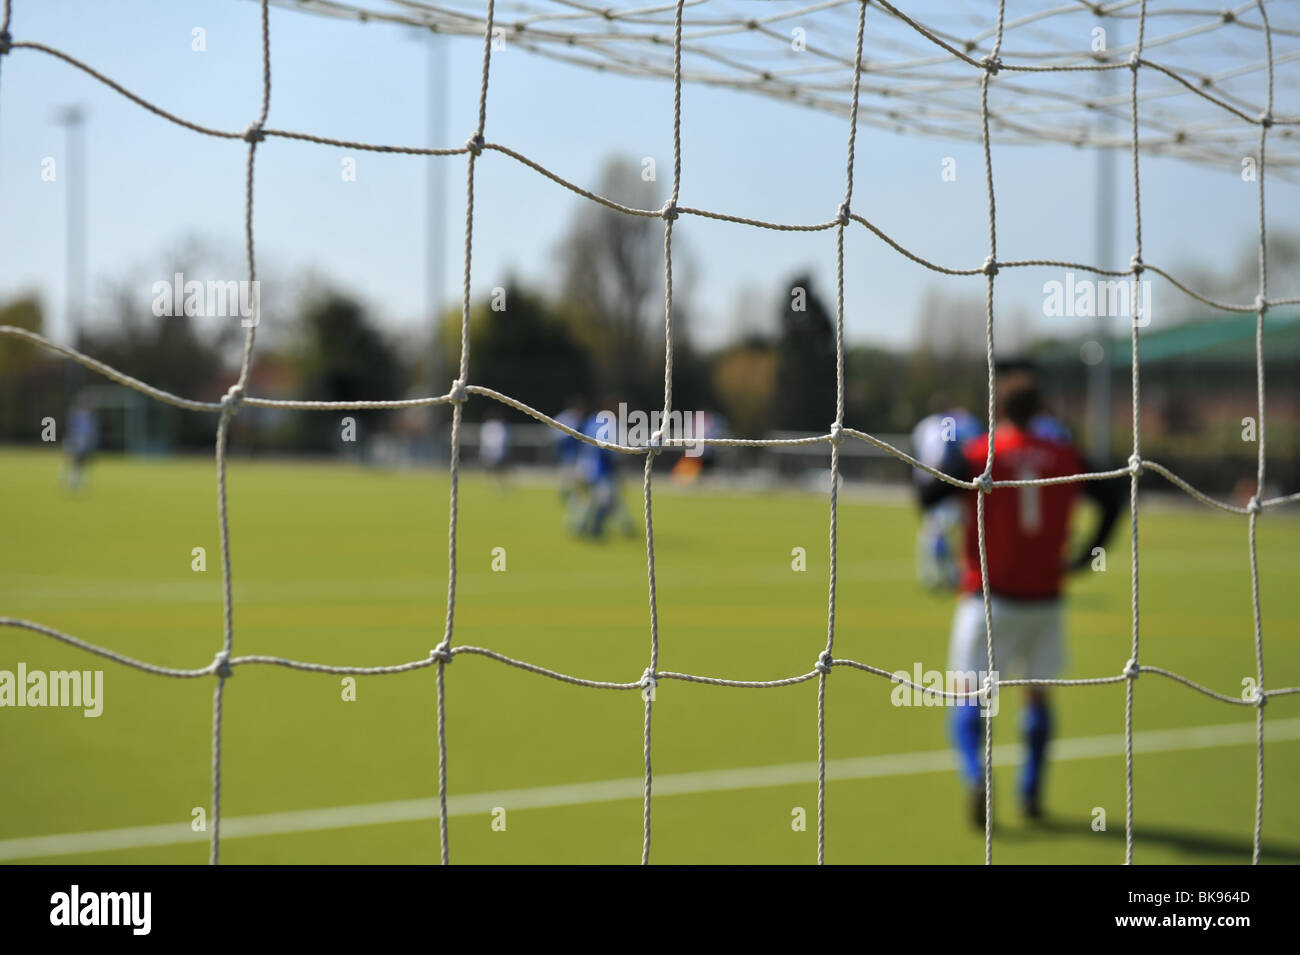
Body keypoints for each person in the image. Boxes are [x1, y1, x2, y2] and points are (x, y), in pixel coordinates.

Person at [918, 359, 1122, 826]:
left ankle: (974, 774)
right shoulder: (1065, 454)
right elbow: (1112, 499)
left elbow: (928, 495)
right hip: (1045, 598)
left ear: (999, 409)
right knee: (1037, 696)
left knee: (968, 694)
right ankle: (1030, 792)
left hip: (987, 597)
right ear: (1041, 409)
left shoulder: (981, 452)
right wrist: (1089, 554)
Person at [911, 401, 982, 590]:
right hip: (946, 483)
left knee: (935, 530)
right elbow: (948, 453)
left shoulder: (927, 424)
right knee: (942, 531)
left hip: (930, 483)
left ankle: (935, 574)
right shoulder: (950, 424)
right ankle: (942, 575)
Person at [63, 399, 99, 491]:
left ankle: (79, 483)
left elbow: (91, 432)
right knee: (75, 463)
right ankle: (72, 482)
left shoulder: (88, 416)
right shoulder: (77, 415)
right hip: (78, 442)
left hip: (84, 443)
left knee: (81, 464)